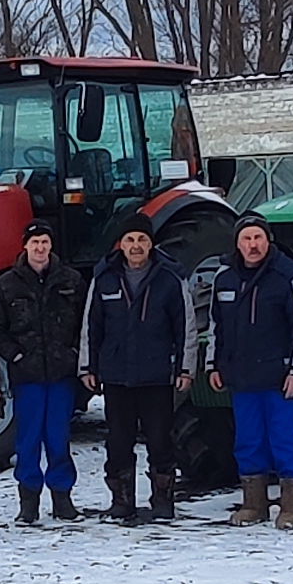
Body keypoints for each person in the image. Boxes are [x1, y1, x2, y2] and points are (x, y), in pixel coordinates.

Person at [78, 211, 193, 524]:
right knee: (118, 440)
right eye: (130, 239)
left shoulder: (170, 278)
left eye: (142, 239)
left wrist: (185, 368)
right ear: (121, 244)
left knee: (160, 440)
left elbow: (185, 325)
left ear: (151, 243)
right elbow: (92, 324)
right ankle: (122, 499)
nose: (136, 245)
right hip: (117, 375)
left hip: (157, 375)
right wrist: (88, 367)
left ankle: (162, 499)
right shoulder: (104, 278)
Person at [205, 211, 293, 528]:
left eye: (258, 238)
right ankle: (254, 504)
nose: (253, 245)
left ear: (268, 241)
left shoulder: (288, 276)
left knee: (284, 439)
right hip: (242, 378)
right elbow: (217, 326)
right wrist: (214, 364)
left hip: (280, 378)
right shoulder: (224, 278)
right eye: (247, 239)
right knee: (248, 441)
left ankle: (292, 506)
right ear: (237, 243)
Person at [0, 218, 87, 525]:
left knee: (58, 437)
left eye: (45, 242)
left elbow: (86, 321)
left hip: (61, 374)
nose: (40, 248)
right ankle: (28, 500)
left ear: (51, 245)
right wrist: (16, 355)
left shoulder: (70, 280)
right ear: (25, 246)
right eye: (35, 243)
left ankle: (62, 497)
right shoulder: (7, 284)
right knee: (28, 439)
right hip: (28, 375)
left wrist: (73, 353)